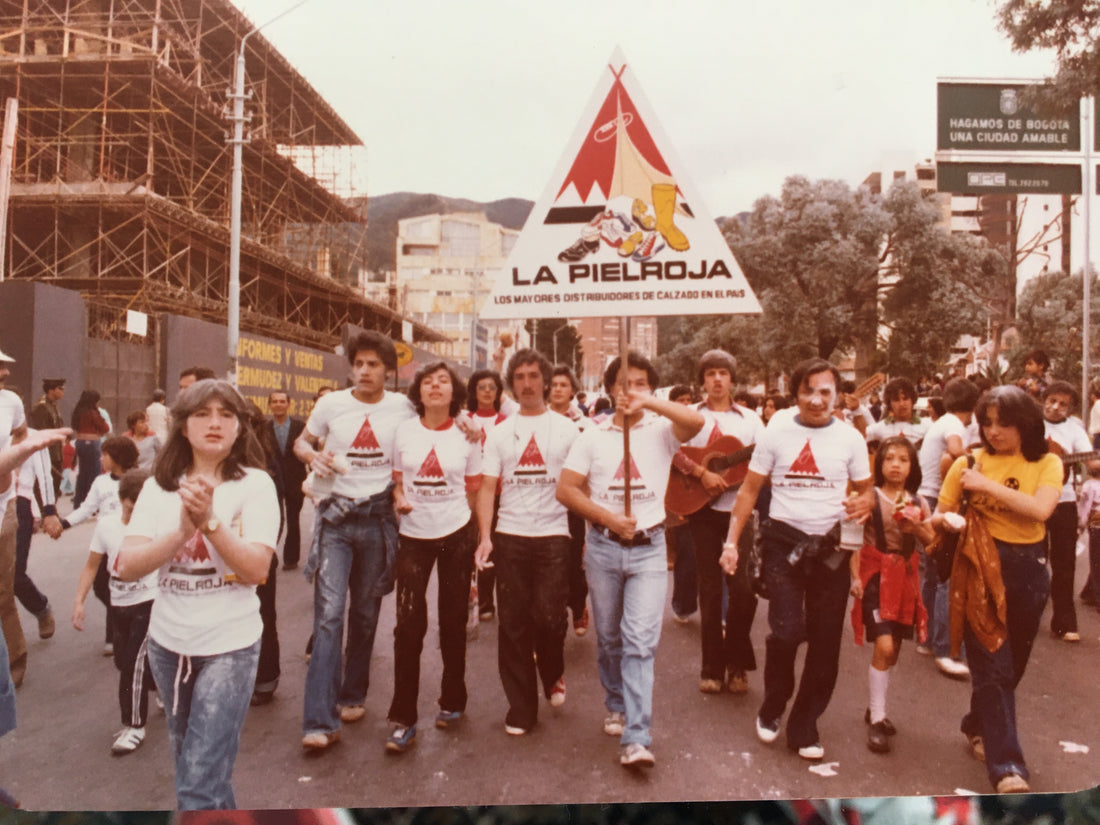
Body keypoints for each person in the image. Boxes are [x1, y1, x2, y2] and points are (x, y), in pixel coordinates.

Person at [116, 379, 278, 809]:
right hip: (169, 647)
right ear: (182, 426)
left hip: (231, 646)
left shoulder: (257, 485)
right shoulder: (157, 486)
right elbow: (127, 565)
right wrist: (180, 533)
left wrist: (209, 522)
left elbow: (257, 568)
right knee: (198, 773)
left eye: (226, 415)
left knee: (197, 786)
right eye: (202, 414)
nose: (214, 423)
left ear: (240, 429)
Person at [721, 357, 873, 763]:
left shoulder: (851, 439)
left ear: (838, 396)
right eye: (809, 390)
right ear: (796, 393)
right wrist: (731, 542)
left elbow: (867, 492)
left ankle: (805, 723)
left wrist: (864, 506)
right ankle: (774, 704)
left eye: (826, 391)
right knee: (786, 631)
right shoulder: (778, 430)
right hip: (782, 542)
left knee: (825, 644)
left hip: (832, 548)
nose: (817, 399)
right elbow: (750, 490)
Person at [557, 351, 703, 769]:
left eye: (640, 383)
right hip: (603, 548)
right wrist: (607, 518)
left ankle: (637, 736)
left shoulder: (662, 430)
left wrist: (649, 401)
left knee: (640, 642)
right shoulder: (592, 435)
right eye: (623, 384)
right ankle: (616, 701)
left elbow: (696, 424)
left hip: (650, 549)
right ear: (608, 390)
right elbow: (567, 490)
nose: (631, 391)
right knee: (609, 637)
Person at [932, 385, 1060, 795]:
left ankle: (976, 723)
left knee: (1013, 665)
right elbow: (941, 514)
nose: (993, 432)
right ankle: (1007, 768)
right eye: (986, 423)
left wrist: (985, 488)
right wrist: (945, 523)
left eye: (1003, 423)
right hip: (978, 568)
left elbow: (1041, 510)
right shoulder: (966, 463)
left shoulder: (1048, 463)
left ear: (1025, 423)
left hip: (1029, 569)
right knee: (994, 667)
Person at [293, 331, 411, 751]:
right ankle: (318, 721)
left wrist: (468, 425)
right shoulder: (331, 405)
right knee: (328, 616)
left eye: (373, 364)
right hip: (336, 518)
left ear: (387, 370)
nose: (364, 371)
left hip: (379, 519)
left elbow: (436, 423)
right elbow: (301, 441)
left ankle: (352, 693)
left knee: (365, 613)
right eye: (358, 363)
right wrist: (313, 456)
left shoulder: (402, 406)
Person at [475, 350, 580, 737]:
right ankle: (521, 708)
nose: (527, 383)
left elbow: (581, 484)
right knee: (514, 623)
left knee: (551, 619)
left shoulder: (568, 429)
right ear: (511, 383)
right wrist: (485, 536)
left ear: (547, 381)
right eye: (519, 377)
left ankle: (552, 671)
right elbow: (488, 487)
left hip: (555, 535)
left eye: (534, 375)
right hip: (511, 534)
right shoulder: (501, 432)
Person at [385, 362, 481, 752]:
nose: (436, 387)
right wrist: (399, 499)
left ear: (453, 391)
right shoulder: (404, 431)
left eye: (443, 381)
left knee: (453, 622)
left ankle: (453, 699)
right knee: (407, 626)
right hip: (413, 536)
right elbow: (396, 481)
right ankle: (403, 716)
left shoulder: (468, 433)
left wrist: (477, 536)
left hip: (457, 533)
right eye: (428, 382)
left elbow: (474, 490)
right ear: (419, 392)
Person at [672, 350, 763, 695]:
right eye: (710, 373)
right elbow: (671, 450)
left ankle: (737, 659)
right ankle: (712, 666)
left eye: (723, 372)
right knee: (709, 590)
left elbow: (763, 460)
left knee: (742, 591)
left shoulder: (751, 421)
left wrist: (742, 477)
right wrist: (700, 473)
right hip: (702, 511)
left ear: (733, 379)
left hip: (738, 512)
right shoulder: (689, 416)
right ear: (702, 380)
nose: (717, 379)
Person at [849, 436, 934, 754]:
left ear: (912, 466)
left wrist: (918, 529)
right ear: (879, 464)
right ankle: (877, 720)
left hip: (906, 581)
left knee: (894, 649)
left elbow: (931, 541)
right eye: (889, 458)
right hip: (876, 577)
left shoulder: (919, 502)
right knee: (883, 646)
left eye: (903, 459)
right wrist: (855, 576)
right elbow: (852, 537)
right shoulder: (869, 498)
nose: (895, 464)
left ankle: (876, 706)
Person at [72, 467, 157, 755]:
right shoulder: (107, 525)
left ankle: (134, 726)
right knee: (124, 661)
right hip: (119, 604)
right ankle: (160, 686)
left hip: (150, 601)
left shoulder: (157, 524)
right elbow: (92, 565)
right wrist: (79, 602)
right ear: (121, 500)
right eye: (130, 508)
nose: (135, 516)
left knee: (133, 661)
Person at [915, 377, 980, 679]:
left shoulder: (941, 420)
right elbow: (958, 452)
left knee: (933, 575)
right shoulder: (955, 424)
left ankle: (928, 639)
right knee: (946, 576)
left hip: (926, 496)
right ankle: (946, 647)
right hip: (938, 498)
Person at [1039, 380, 1092, 642]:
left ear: (1070, 409)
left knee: (1065, 562)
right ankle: (1023, 614)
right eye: (1052, 401)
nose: (1056, 407)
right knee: (1034, 561)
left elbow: (1091, 460)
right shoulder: (1029, 422)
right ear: (1044, 399)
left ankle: (1065, 622)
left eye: (1063, 404)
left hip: (1064, 500)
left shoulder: (1075, 429)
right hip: (1032, 498)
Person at [548, 364, 590, 634]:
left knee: (574, 560)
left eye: (563, 385)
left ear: (573, 390)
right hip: (545, 500)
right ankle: (554, 616)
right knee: (551, 563)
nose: (558, 389)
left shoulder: (584, 424)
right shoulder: (537, 419)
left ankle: (578, 606)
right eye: (553, 385)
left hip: (573, 501)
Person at [466, 369, 509, 622]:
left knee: (493, 546)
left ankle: (492, 601)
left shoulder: (505, 421)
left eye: (492, 387)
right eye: (481, 387)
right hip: (471, 494)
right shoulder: (464, 419)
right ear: (474, 392)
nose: (486, 391)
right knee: (471, 546)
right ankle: (476, 600)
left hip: (499, 494)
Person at [0, 348, 30, 689]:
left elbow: (21, 434)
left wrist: (13, 465)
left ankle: (16, 656)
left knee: (3, 589)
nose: (5, 373)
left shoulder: (10, 402)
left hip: (3, 502)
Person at [13, 428, 61, 641]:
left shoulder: (32, 436)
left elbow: (44, 475)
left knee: (14, 573)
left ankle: (40, 609)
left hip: (18, 504)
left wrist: (49, 511)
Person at [666, 383, 699, 622]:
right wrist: (697, 470)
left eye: (689, 399)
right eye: (680, 400)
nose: (686, 404)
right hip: (678, 495)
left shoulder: (700, 422)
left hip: (704, 495)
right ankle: (682, 604)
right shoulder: (665, 428)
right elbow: (673, 454)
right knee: (686, 553)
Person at [264, 390, 307, 570]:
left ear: (289, 404)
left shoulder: (299, 427)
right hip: (272, 481)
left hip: (294, 479)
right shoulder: (264, 428)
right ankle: (268, 556)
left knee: (293, 519)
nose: (278, 405)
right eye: (274, 401)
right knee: (273, 519)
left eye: (282, 401)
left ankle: (291, 558)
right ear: (270, 405)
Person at [70, 389, 110, 508]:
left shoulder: (78, 412)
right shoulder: (93, 412)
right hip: (92, 444)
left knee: (83, 474)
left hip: (80, 443)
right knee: (94, 474)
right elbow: (105, 427)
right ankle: (93, 504)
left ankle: (78, 503)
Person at [865, 377, 929, 450]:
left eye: (905, 398)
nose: (901, 404)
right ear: (889, 403)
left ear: (912, 400)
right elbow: (861, 436)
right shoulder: (879, 428)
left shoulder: (927, 427)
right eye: (896, 400)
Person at [29, 378, 65, 497]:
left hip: (56, 452)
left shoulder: (54, 406)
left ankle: (51, 510)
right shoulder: (42, 407)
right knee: (44, 484)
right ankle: (44, 511)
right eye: (60, 389)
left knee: (55, 483)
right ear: (51, 390)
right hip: (47, 452)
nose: (62, 391)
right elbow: (40, 431)